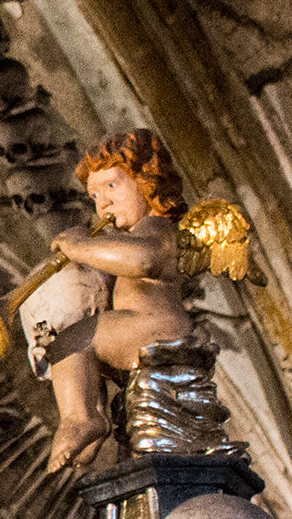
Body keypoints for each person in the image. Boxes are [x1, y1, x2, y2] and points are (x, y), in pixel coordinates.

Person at [31, 129, 197, 470]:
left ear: (146, 181)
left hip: (152, 327)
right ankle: (93, 418)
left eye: (111, 186)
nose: (102, 203)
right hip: (136, 327)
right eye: (94, 196)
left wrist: (82, 247)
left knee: (72, 341)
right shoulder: (137, 233)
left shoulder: (156, 228)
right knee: (86, 352)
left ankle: (81, 420)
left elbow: (142, 260)